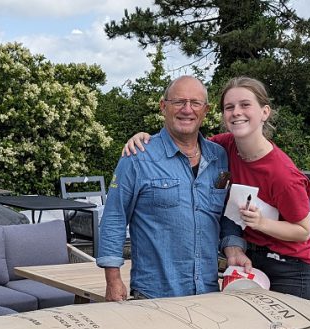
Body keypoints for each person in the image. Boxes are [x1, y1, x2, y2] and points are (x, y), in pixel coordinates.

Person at [123, 76, 310, 299]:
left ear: (264, 112)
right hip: (249, 259)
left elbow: (303, 231)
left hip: (288, 268)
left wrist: (261, 223)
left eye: (245, 105)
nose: (236, 112)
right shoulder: (222, 148)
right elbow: (183, 140)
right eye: (229, 107)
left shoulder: (283, 174)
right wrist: (147, 140)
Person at [97, 75, 250, 302]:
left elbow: (227, 216)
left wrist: (234, 248)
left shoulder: (219, 157)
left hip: (208, 294)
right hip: (153, 295)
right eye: (179, 102)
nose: (187, 110)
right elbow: (114, 218)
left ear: (205, 110)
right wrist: (113, 279)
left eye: (195, 103)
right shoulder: (138, 157)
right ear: (163, 106)